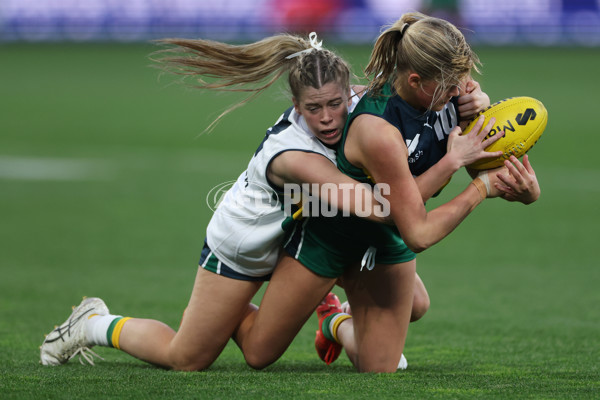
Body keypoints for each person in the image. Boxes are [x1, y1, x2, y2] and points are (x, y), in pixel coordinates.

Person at [38, 32, 452, 370]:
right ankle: (94, 322)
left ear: (350, 94)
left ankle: (334, 319)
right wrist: (456, 165)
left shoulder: (357, 105)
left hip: (312, 232)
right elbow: (379, 205)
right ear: (296, 106)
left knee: (413, 303)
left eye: (335, 104)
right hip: (249, 243)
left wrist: (467, 97)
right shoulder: (295, 158)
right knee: (188, 357)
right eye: (313, 109)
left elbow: (404, 95)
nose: (327, 117)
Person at [281, 12, 541, 372]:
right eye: (452, 86)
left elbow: (489, 163)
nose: (461, 91)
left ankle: (339, 316)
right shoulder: (380, 127)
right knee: (264, 353)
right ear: (417, 80)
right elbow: (417, 230)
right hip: (339, 232)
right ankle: (331, 310)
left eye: (462, 82)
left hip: (388, 230)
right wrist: (473, 181)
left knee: (415, 309)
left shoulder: (449, 89)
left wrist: (527, 190)